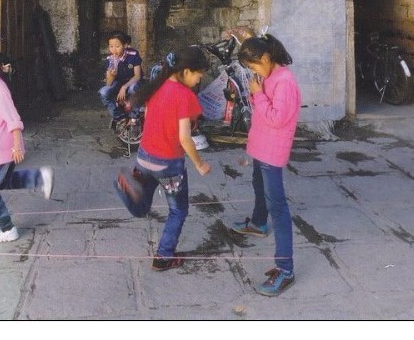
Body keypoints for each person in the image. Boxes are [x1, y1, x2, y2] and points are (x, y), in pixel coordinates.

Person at [113, 45, 211, 271]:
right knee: (178, 210)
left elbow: (149, 119)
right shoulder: (185, 96)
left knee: (142, 203)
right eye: (199, 76)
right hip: (169, 164)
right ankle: (164, 256)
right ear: (186, 71)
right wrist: (200, 164)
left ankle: (130, 189)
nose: (198, 81)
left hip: (145, 156)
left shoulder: (156, 87)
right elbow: (185, 138)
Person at [229, 33, 301, 297]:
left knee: (278, 206)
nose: (252, 71)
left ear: (267, 58)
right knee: (257, 184)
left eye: (253, 65)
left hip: (272, 150)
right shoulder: (270, 74)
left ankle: (286, 270)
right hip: (261, 146)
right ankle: (259, 223)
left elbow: (277, 118)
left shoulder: (285, 81)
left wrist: (258, 95)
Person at [0, 50, 54, 243]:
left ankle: (6, 228)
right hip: (0, 146)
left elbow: (13, 119)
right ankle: (38, 178)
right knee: (1, 182)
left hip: (3, 149)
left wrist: (16, 146)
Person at [99, 31, 143, 130]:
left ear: (125, 45)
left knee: (133, 89)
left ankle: (134, 116)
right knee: (103, 92)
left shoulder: (133, 54)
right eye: (111, 46)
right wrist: (111, 75)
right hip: (118, 82)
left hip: (132, 82)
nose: (114, 50)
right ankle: (119, 117)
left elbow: (137, 76)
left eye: (117, 46)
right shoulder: (110, 59)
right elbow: (109, 84)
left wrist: (124, 87)